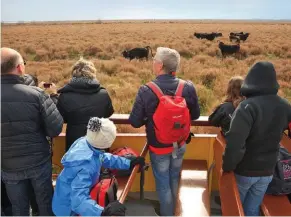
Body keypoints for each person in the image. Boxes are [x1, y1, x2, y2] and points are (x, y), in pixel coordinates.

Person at [129, 47, 200, 216]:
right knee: (175, 177)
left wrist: (151, 118)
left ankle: (168, 214)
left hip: (159, 147)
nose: (153, 63)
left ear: (160, 66)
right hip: (180, 143)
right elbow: (195, 115)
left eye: (154, 61)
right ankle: (175, 211)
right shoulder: (187, 87)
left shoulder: (146, 90)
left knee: (163, 184)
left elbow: (134, 121)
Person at [222, 61, 291, 216]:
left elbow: (235, 143)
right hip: (268, 170)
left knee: (235, 209)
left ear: (250, 80)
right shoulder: (285, 105)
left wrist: (227, 167)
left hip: (245, 170)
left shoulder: (247, 107)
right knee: (252, 209)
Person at [1, 47, 64, 216]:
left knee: (18, 207)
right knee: (45, 203)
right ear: (20, 68)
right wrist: (53, 98)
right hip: (38, 162)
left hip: (7, 164)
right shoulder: (36, 94)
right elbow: (55, 129)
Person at [52, 117, 145, 216]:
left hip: (65, 198)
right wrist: (102, 212)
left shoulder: (86, 144)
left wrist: (128, 163)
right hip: (68, 210)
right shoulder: (85, 165)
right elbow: (78, 201)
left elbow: (103, 158)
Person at [57, 57, 114, 151]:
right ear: (92, 73)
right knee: (98, 164)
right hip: (98, 141)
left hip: (75, 143)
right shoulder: (103, 94)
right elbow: (108, 113)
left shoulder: (65, 95)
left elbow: (61, 118)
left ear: (74, 73)